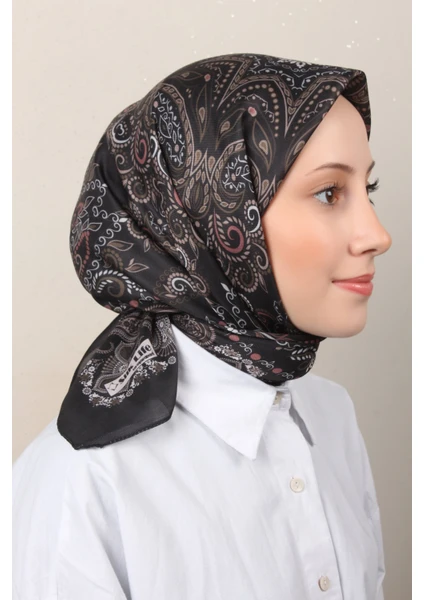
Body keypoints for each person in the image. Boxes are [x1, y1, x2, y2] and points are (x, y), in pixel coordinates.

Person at [13, 53, 392, 599]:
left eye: (367, 190)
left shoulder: (331, 416)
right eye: (329, 193)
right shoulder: (84, 484)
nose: (377, 235)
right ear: (211, 211)